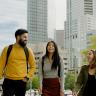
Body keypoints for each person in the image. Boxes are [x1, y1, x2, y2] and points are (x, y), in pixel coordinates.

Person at [0, 29, 36, 96]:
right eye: (24, 37)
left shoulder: (28, 50)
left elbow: (33, 66)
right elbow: (1, 65)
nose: (26, 39)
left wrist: (27, 77)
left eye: (27, 37)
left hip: (22, 82)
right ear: (18, 37)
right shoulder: (7, 49)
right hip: (8, 81)